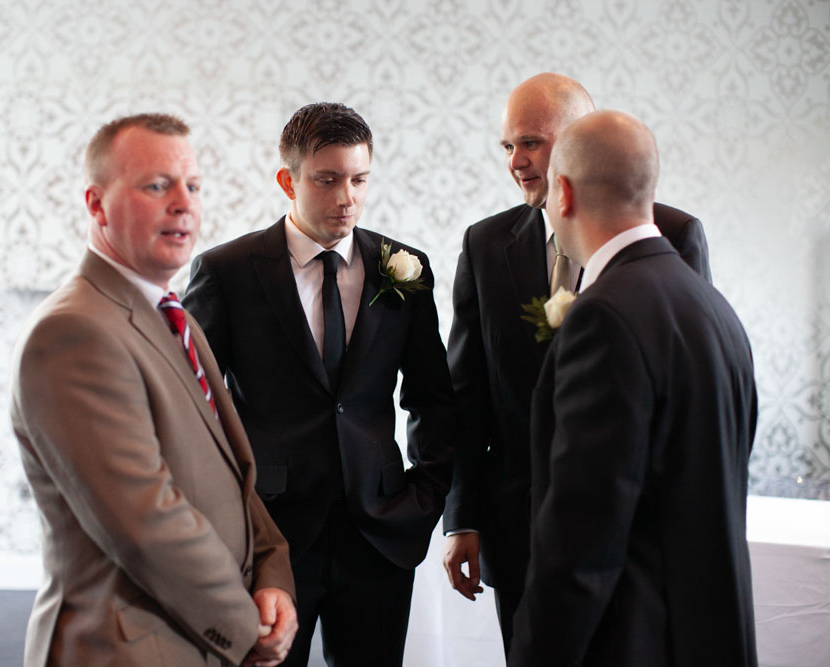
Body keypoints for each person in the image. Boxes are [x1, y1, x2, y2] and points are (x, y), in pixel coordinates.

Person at [10, 113, 297, 667]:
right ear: (96, 204)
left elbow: (232, 474)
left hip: (195, 635)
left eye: (192, 186)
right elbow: (146, 522)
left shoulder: (175, 317)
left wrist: (273, 572)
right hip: (127, 648)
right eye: (156, 186)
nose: (183, 203)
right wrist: (247, 625)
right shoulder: (74, 332)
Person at [442, 72, 712, 650]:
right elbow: (467, 392)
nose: (516, 161)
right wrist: (462, 516)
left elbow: (685, 399)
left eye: (531, 142)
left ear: (576, 141)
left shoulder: (673, 236)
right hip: (518, 533)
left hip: (635, 538)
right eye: (507, 145)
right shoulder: (485, 246)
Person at [184, 102, 456, 667]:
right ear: (288, 180)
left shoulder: (403, 268)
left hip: (380, 531)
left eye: (359, 180)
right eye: (327, 179)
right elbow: (193, 408)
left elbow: (432, 397)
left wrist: (424, 498)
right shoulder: (228, 271)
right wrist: (226, 517)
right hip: (271, 536)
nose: (346, 197)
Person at [508, 110, 757, 666]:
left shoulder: (605, 318)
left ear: (563, 193)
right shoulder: (711, 308)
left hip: (632, 641)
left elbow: (580, 542)